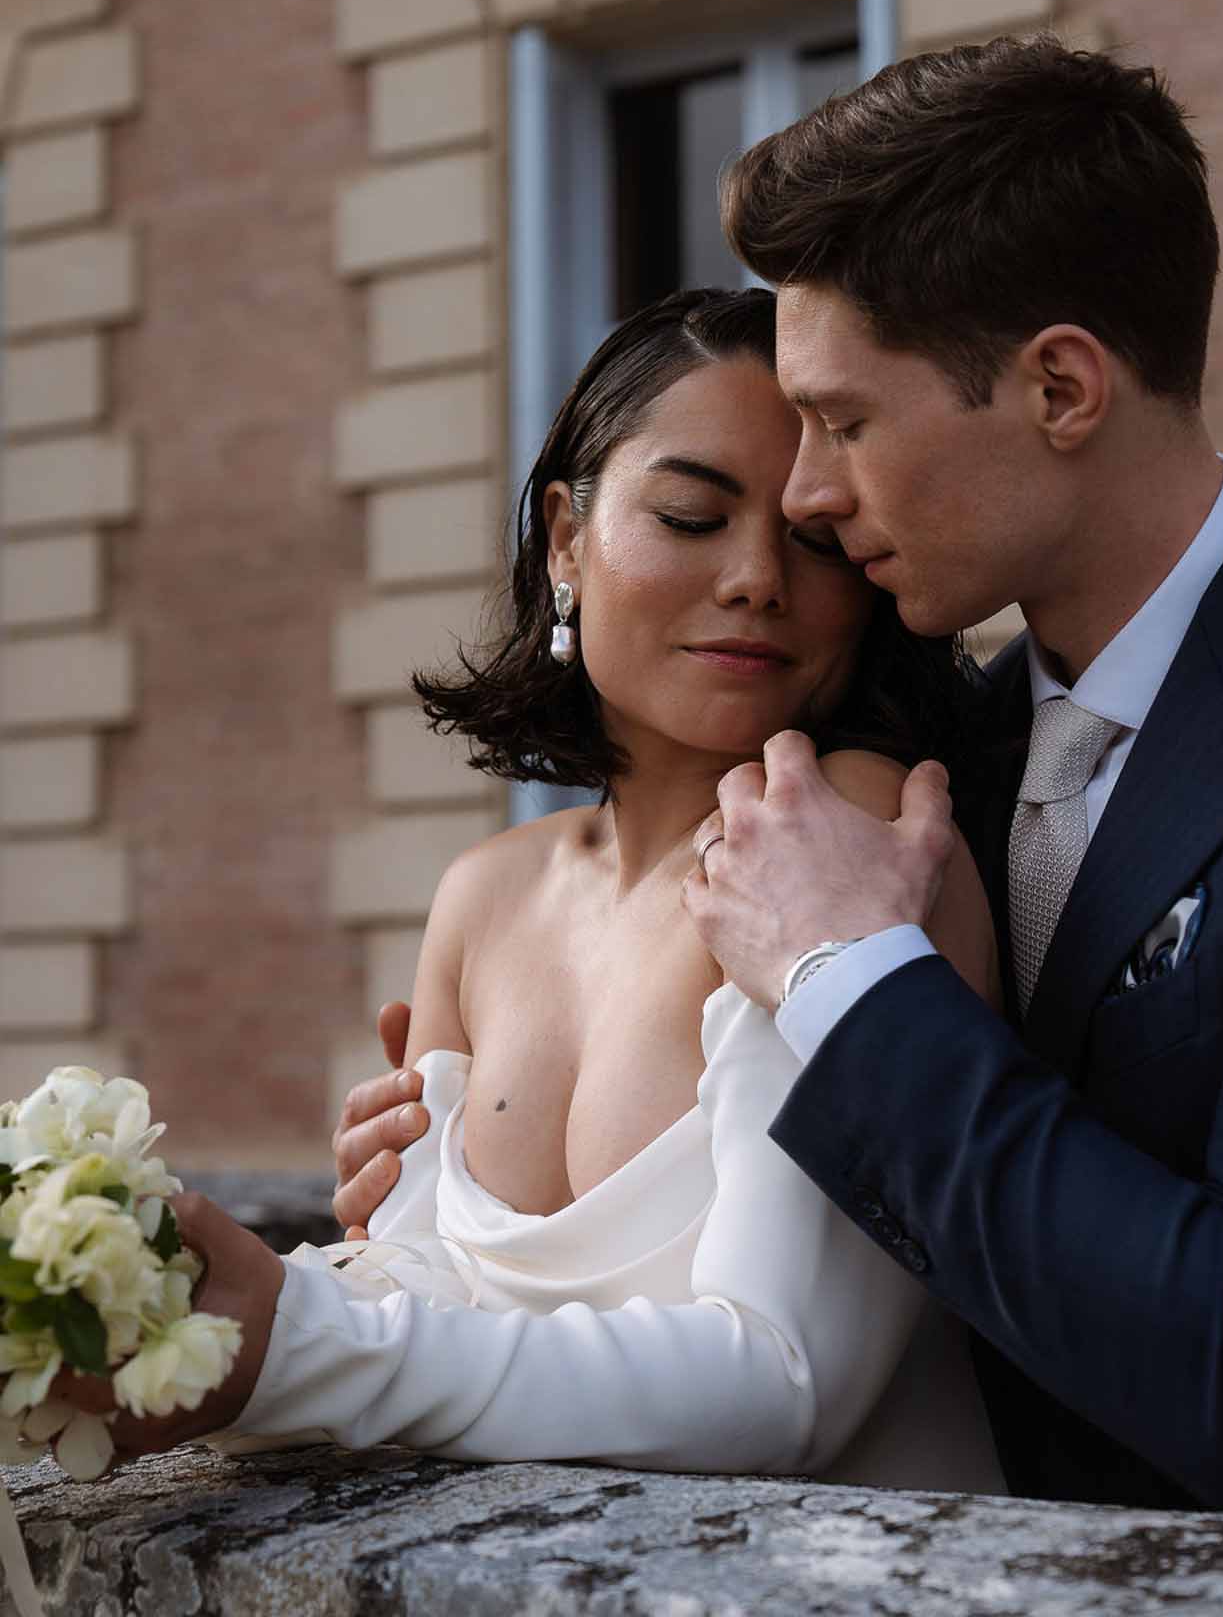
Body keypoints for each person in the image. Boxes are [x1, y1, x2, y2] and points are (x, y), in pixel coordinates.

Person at [345, 36, 1223, 1519]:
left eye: (842, 423)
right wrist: (440, 1202)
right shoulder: (949, 758)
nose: (807, 497)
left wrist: (848, 974)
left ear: (1061, 388)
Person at [70, 288, 1003, 1486]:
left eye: (816, 538)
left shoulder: (852, 830)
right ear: (566, 536)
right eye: (690, 515)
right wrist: (163, 1309)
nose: (760, 576)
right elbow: (422, 1298)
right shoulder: (486, 894)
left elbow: (782, 1381)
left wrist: (291, 1341)